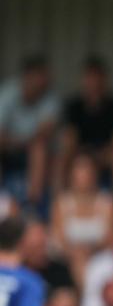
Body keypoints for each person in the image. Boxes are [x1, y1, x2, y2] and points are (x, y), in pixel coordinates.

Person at [55, 57, 113, 207]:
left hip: (106, 155)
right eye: (89, 77)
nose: (93, 82)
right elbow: (69, 138)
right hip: (80, 153)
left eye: (97, 77)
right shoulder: (74, 107)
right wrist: (83, 154)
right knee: (61, 157)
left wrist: (100, 155)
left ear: (104, 80)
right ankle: (58, 204)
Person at [50, 153, 113, 289]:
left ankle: (84, 296)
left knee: (84, 260)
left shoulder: (108, 203)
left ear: (95, 175)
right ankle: (86, 295)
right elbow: (58, 236)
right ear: (71, 175)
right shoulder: (61, 203)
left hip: (100, 255)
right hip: (66, 257)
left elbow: (111, 237)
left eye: (87, 171)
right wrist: (74, 252)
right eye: (79, 171)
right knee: (79, 260)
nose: (84, 177)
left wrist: (91, 251)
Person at [0, 56, 59, 209]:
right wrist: (21, 141)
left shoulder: (50, 98)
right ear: (28, 76)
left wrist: (15, 140)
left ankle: (32, 206)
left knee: (39, 148)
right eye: (41, 76)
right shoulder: (8, 92)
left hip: (33, 152)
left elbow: (43, 135)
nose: (45, 81)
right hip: (8, 150)